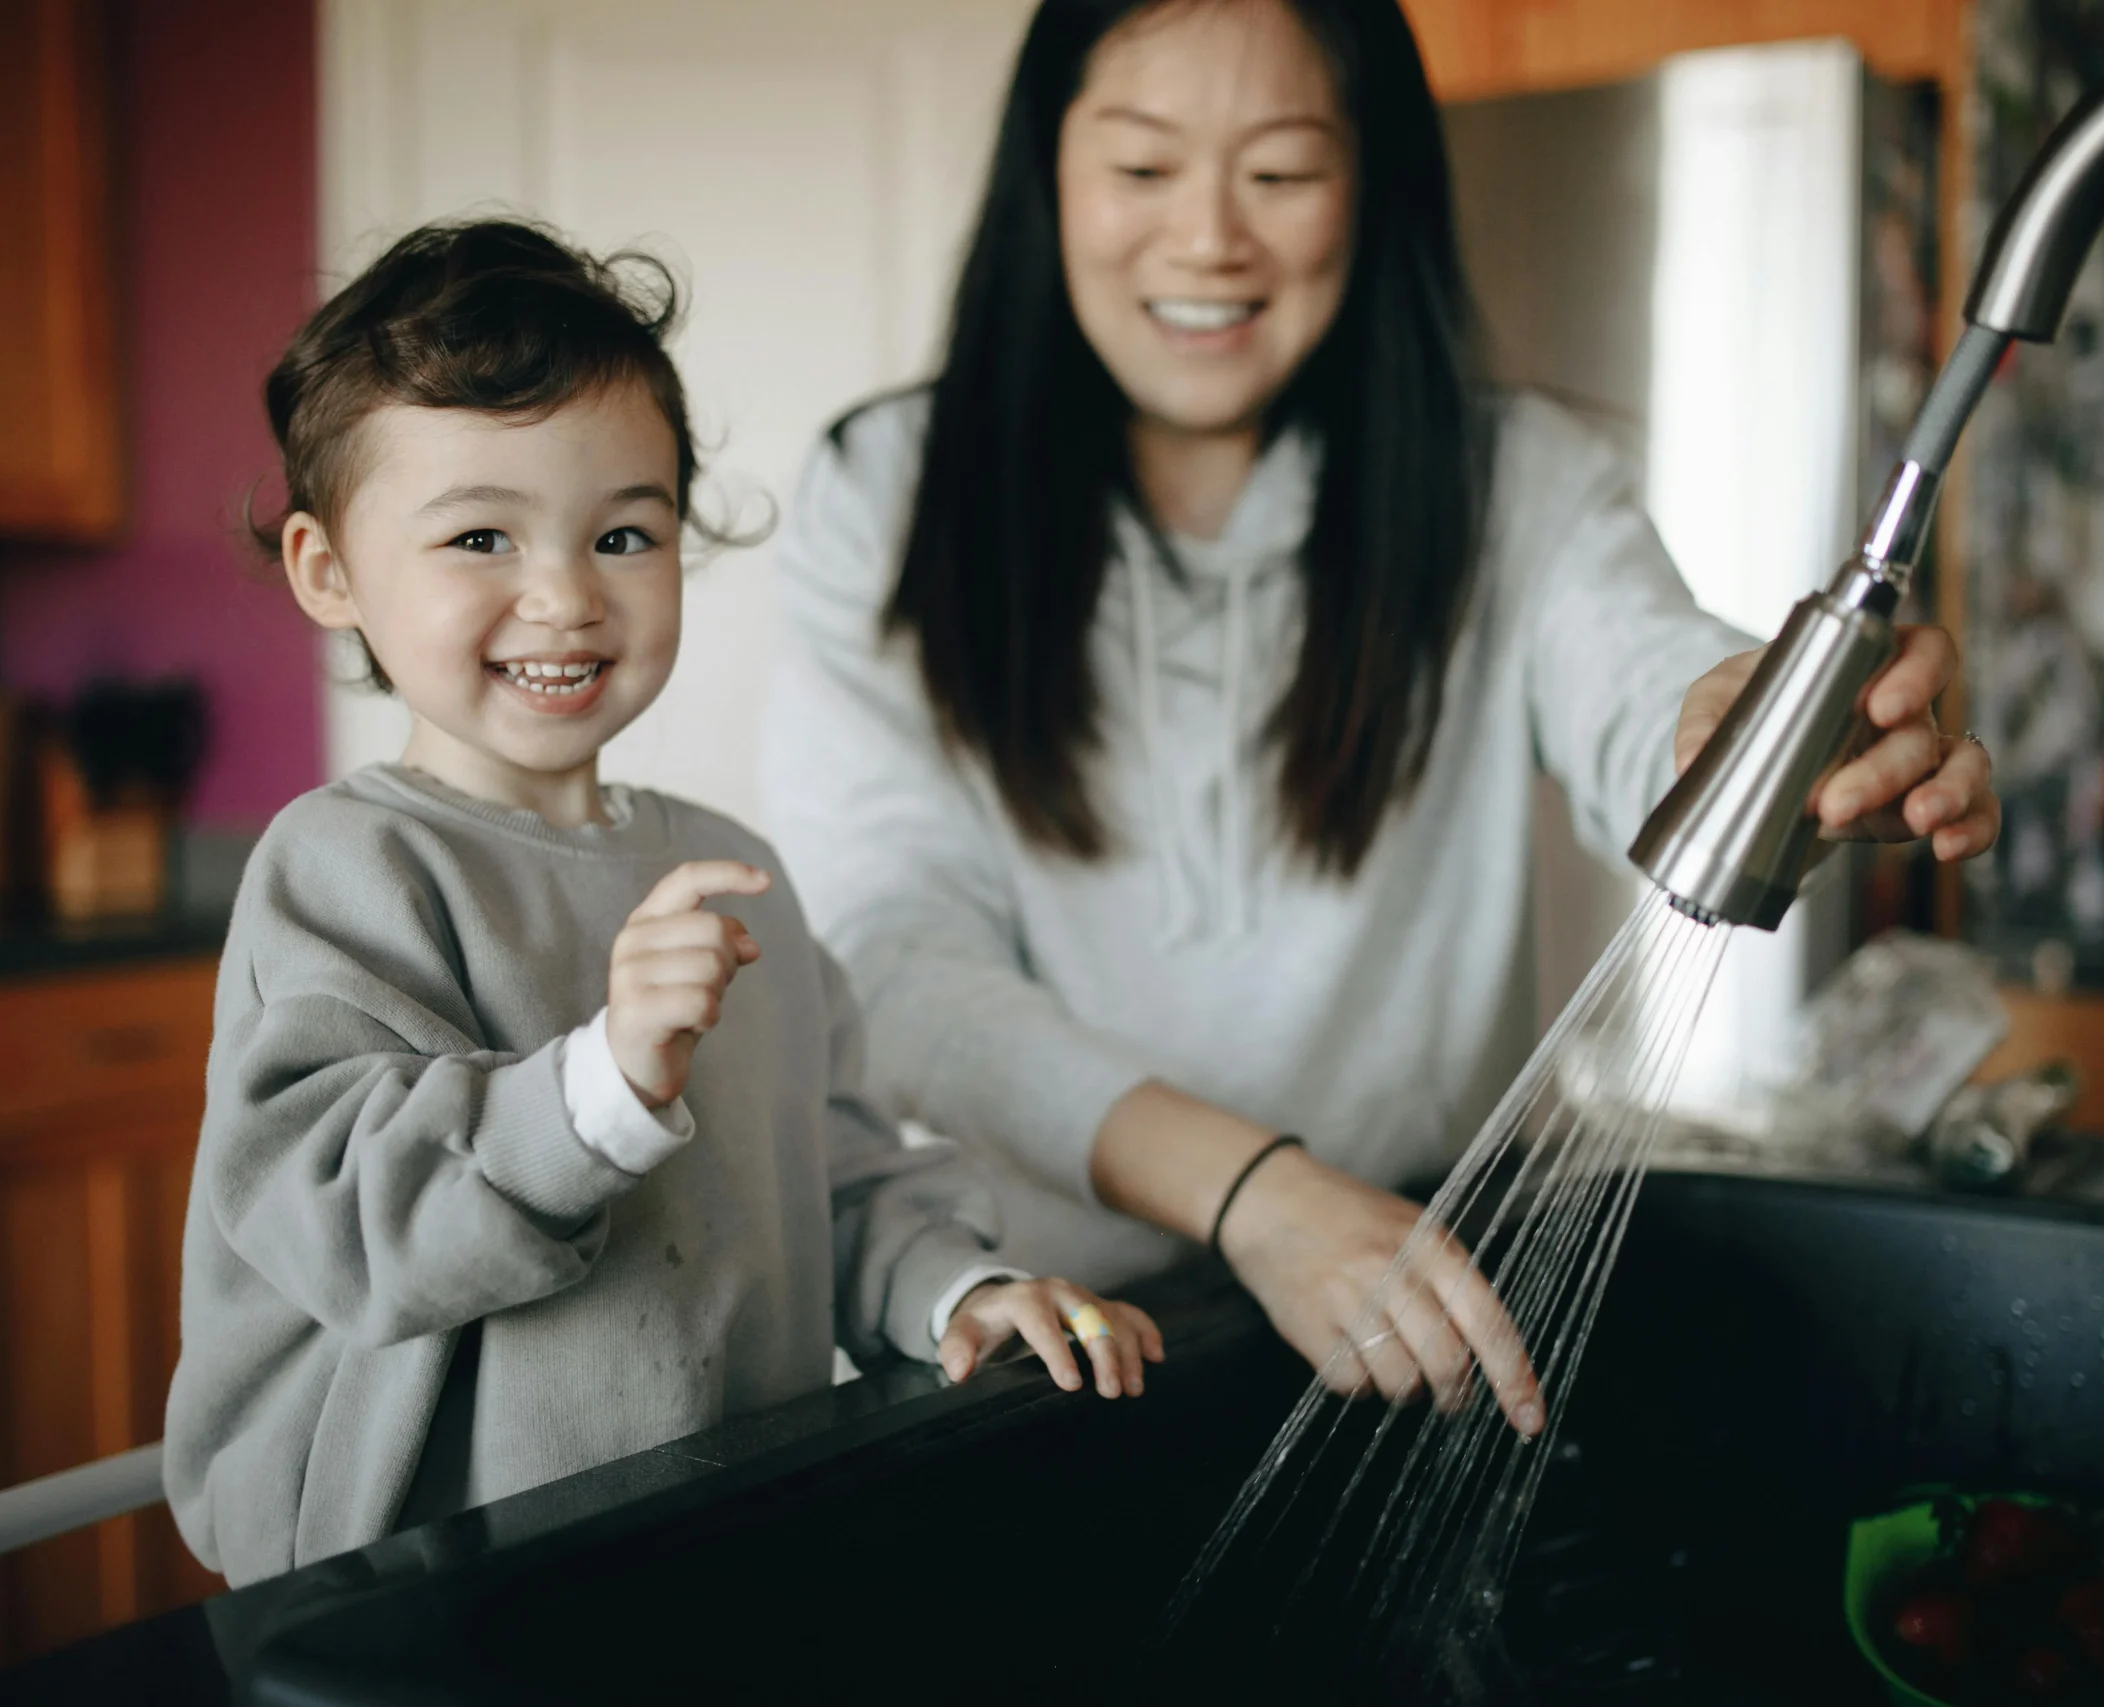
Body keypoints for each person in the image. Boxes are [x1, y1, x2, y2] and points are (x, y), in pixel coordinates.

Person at [761, 0, 1998, 1427]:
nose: (1211, 238)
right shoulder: (886, 494)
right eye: (1145, 168)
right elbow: (897, 963)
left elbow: (1645, 681)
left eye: (1280, 172)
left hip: (1421, 1302)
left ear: (1373, 186)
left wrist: (1764, 733)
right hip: (1054, 1343)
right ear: (1046, 173)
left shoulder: (1513, 480)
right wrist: (1255, 1194)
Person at [164, 221, 1160, 1587]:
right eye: (480, 536)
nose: (566, 595)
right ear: (329, 571)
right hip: (428, 1596)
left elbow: (838, 1171)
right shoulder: (341, 870)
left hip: (711, 1544)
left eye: (624, 532)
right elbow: (352, 1234)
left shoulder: (732, 867)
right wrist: (600, 1084)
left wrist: (955, 1288)